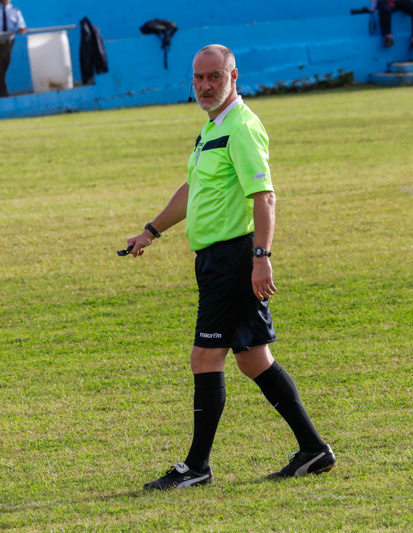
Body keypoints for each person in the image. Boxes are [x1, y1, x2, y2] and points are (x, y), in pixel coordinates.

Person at [125, 44, 335, 490]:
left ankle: (197, 466)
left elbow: (265, 197)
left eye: (215, 77)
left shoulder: (241, 127)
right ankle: (313, 449)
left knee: (205, 357)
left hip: (234, 260)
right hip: (216, 260)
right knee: (254, 360)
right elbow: (193, 188)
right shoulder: (212, 128)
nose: (205, 86)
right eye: (199, 78)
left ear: (233, 77)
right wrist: (151, 231)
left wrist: (261, 258)